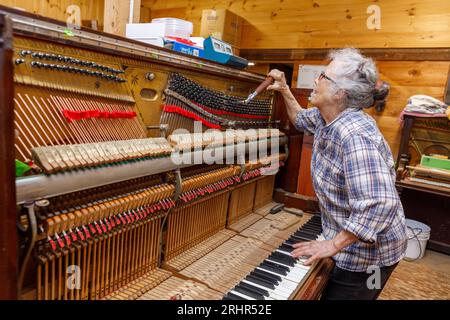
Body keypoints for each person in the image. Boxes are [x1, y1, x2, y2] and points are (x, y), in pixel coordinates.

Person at [267, 48, 407, 300]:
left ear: (339, 93)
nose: (316, 80)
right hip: (348, 240)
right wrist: (284, 89)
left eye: (323, 76)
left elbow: (379, 205)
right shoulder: (327, 117)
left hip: (370, 258)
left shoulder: (354, 136)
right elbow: (300, 120)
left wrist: (331, 245)